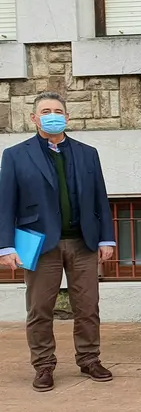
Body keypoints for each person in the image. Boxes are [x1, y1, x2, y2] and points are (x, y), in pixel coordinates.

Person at [0, 92, 115, 392]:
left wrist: (107, 238)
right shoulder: (15, 155)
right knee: (39, 309)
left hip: (83, 242)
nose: (53, 115)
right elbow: (5, 204)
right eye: (46, 110)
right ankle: (43, 365)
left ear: (67, 116)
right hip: (39, 243)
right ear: (34, 118)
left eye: (58, 110)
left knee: (88, 306)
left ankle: (89, 359)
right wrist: (6, 246)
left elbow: (100, 199)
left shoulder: (87, 153)